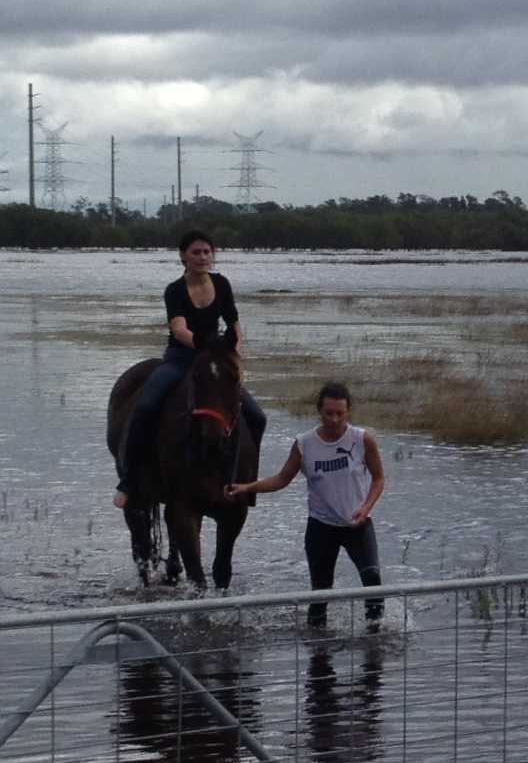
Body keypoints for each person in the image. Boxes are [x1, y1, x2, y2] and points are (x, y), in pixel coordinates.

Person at [116, 228, 266, 506]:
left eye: (207, 252)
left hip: (215, 360)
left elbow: (233, 322)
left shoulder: (222, 284)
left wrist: (235, 357)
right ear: (183, 256)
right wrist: (204, 346)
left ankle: (247, 485)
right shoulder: (174, 290)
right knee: (146, 406)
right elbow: (179, 328)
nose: (202, 257)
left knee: (257, 416)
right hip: (181, 358)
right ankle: (128, 480)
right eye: (195, 252)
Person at [230, 380, 388, 624]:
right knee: (320, 593)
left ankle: (375, 641)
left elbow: (378, 479)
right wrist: (248, 487)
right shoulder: (305, 443)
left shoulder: (362, 439)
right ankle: (318, 652)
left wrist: (366, 507)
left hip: (357, 525)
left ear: (348, 412)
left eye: (340, 414)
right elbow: (282, 478)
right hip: (321, 527)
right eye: (328, 413)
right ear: (319, 411)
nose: (334, 419)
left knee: (373, 582)